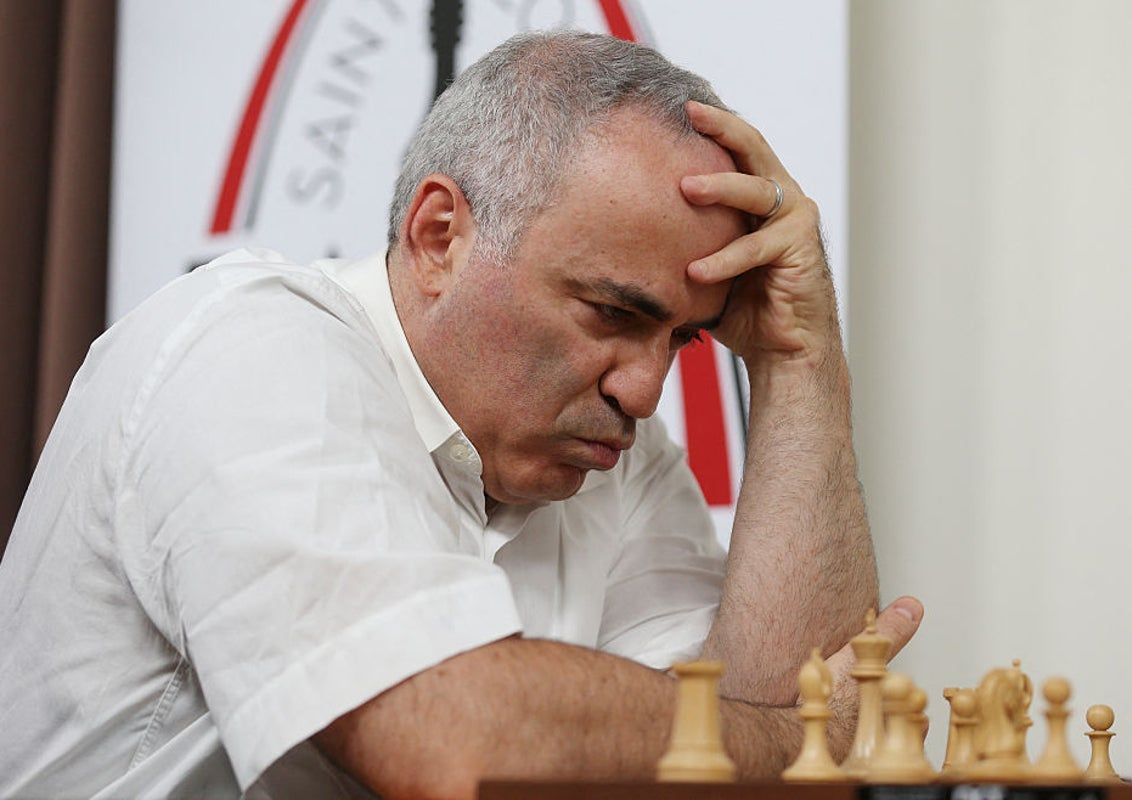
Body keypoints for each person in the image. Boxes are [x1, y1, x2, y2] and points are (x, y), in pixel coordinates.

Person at [0, 31, 922, 799]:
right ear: (440, 236)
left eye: (681, 339)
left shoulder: (619, 460)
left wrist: (799, 357)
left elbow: (756, 732)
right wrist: (797, 743)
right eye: (612, 313)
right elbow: (455, 744)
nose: (644, 393)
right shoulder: (248, 348)